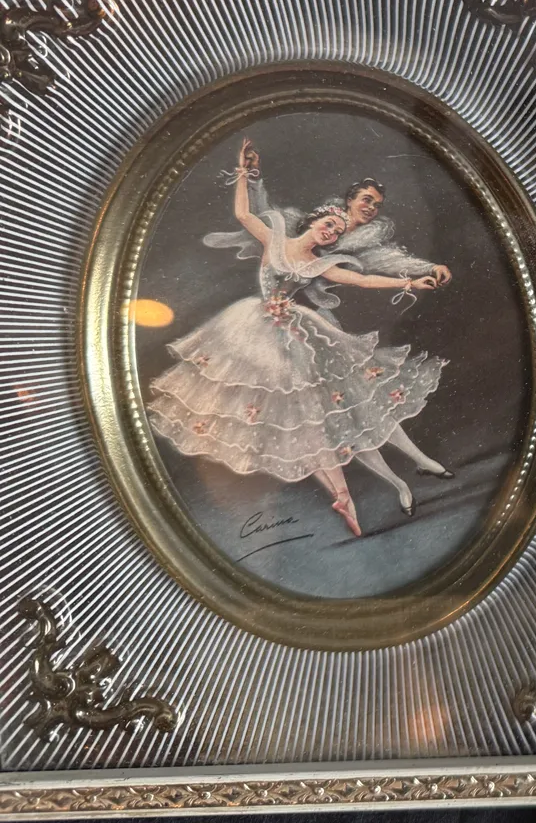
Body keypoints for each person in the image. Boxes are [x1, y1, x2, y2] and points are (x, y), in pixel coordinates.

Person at [148, 139, 447, 537]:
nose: (330, 232)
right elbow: (242, 213)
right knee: (291, 413)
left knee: (322, 407)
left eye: (335, 232)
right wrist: (244, 173)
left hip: (295, 331)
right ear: (315, 221)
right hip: (254, 329)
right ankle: (344, 495)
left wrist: (410, 282)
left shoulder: (322, 263)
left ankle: (359, 489)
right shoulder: (275, 239)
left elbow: (362, 279)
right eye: (329, 224)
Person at [204, 147, 456, 483]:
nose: (370, 208)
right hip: (273, 334)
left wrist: (419, 275)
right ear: (346, 202)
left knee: (357, 397)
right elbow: (253, 214)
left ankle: (412, 465)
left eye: (377, 205)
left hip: (315, 329)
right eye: (366, 200)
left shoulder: (343, 251)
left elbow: (375, 270)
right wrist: (248, 175)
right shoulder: (287, 232)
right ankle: (370, 487)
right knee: (316, 410)